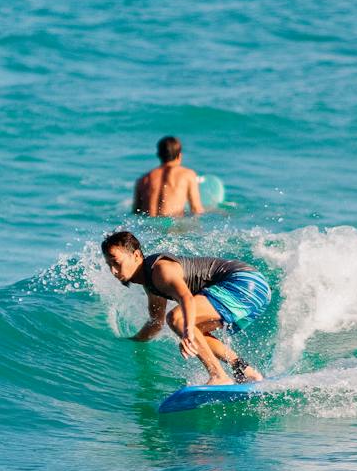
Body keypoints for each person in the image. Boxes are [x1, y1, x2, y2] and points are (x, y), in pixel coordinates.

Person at [101, 230, 269, 385]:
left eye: (116, 262)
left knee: (177, 319)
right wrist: (132, 342)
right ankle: (244, 370)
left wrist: (187, 330)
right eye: (109, 265)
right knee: (197, 332)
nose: (113, 271)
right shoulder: (151, 283)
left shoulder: (160, 270)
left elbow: (186, 298)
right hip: (258, 293)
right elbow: (156, 323)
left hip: (245, 282)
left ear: (136, 255)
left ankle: (218, 376)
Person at [133, 136, 211, 217]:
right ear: (180, 155)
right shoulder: (187, 175)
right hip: (172, 227)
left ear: (158, 155)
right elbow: (196, 209)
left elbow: (136, 213)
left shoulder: (143, 180)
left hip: (147, 226)